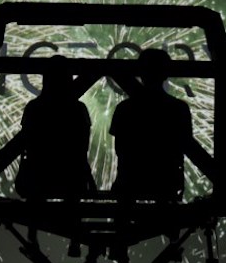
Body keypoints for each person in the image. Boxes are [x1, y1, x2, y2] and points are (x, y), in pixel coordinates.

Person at [110, 49, 192, 202]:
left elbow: (120, 148)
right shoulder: (179, 108)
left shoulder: (124, 108)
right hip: (166, 182)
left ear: (141, 72)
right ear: (165, 74)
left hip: (130, 182)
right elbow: (184, 146)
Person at [16, 55, 96, 200]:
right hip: (72, 180)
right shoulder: (78, 109)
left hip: (38, 179)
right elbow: (82, 148)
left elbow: (28, 144)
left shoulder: (33, 108)